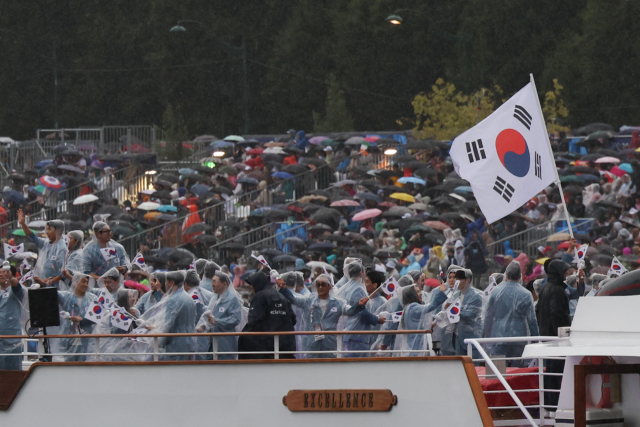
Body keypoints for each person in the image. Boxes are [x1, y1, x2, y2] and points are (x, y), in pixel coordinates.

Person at [277, 273, 368, 358]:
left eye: (323, 284)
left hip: (330, 345)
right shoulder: (309, 300)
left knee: (329, 370)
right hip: (311, 344)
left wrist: (358, 305)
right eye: (318, 285)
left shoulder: (337, 303)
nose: (320, 287)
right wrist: (284, 288)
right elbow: (294, 299)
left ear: (329, 287)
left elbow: (349, 311)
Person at [482, 261, 539, 366]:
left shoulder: (495, 292)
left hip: (499, 338)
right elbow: (532, 321)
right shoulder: (526, 294)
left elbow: (488, 317)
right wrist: (536, 340)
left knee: (498, 372)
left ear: (506, 274)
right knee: (517, 374)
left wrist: (482, 338)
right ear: (519, 276)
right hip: (519, 338)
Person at [536, 260, 571, 411]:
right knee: (556, 372)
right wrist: (562, 332)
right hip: (556, 337)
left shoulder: (544, 288)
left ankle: (549, 404)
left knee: (549, 371)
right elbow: (555, 313)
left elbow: (539, 311)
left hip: (546, 335)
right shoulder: (557, 290)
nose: (566, 274)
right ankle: (555, 404)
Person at [238, 271, 296, 359]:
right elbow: (293, 320)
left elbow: (253, 321)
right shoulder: (282, 297)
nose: (251, 287)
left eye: (252, 284)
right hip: (286, 347)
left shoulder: (259, 296)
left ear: (258, 283)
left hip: (265, 349)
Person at [335, 261, 385, 357]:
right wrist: (377, 319)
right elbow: (361, 312)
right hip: (357, 335)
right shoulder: (358, 289)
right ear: (360, 273)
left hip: (350, 333)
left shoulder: (348, 288)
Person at [438, 269, 484, 359]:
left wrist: (453, 309)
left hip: (471, 337)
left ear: (468, 280)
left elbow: (471, 315)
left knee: (474, 366)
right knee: (461, 366)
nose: (457, 281)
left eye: (460, 279)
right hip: (458, 337)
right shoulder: (455, 295)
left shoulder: (476, 296)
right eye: (456, 278)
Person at [196, 271, 243, 360]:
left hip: (225, 341)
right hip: (212, 340)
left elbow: (235, 319)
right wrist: (204, 325)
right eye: (212, 281)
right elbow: (209, 314)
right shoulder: (215, 297)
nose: (212, 284)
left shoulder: (232, 299)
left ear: (224, 284)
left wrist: (217, 321)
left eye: (215, 281)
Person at [18, 209, 66, 288]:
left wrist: (49, 280)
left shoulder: (62, 248)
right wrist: (23, 224)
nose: (47, 232)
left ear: (58, 230)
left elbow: (63, 272)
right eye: (46, 229)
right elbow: (32, 237)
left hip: (54, 289)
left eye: (49, 229)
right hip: (41, 285)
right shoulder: (46, 243)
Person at [56, 272, 98, 361]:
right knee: (68, 368)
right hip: (69, 337)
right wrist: (42, 284)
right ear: (75, 282)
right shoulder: (66, 296)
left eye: (87, 282)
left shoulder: (93, 298)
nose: (86, 284)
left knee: (84, 368)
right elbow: (52, 294)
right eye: (83, 281)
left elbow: (97, 317)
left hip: (85, 338)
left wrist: (82, 319)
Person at [399, 282, 448, 356]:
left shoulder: (407, 308)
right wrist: (440, 292)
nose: (421, 293)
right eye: (417, 292)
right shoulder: (413, 307)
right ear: (412, 295)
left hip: (412, 348)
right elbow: (430, 306)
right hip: (416, 350)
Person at [157, 271, 196, 361]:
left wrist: (161, 342)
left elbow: (169, 324)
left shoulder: (173, 300)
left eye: (166, 282)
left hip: (176, 344)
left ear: (172, 283)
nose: (165, 285)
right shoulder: (189, 298)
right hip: (189, 342)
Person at [0, 262, 25, 370]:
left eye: (4, 272)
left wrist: (10, 278)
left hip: (12, 340)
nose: (1, 274)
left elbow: (16, 284)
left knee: (13, 375)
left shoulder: (15, 291)